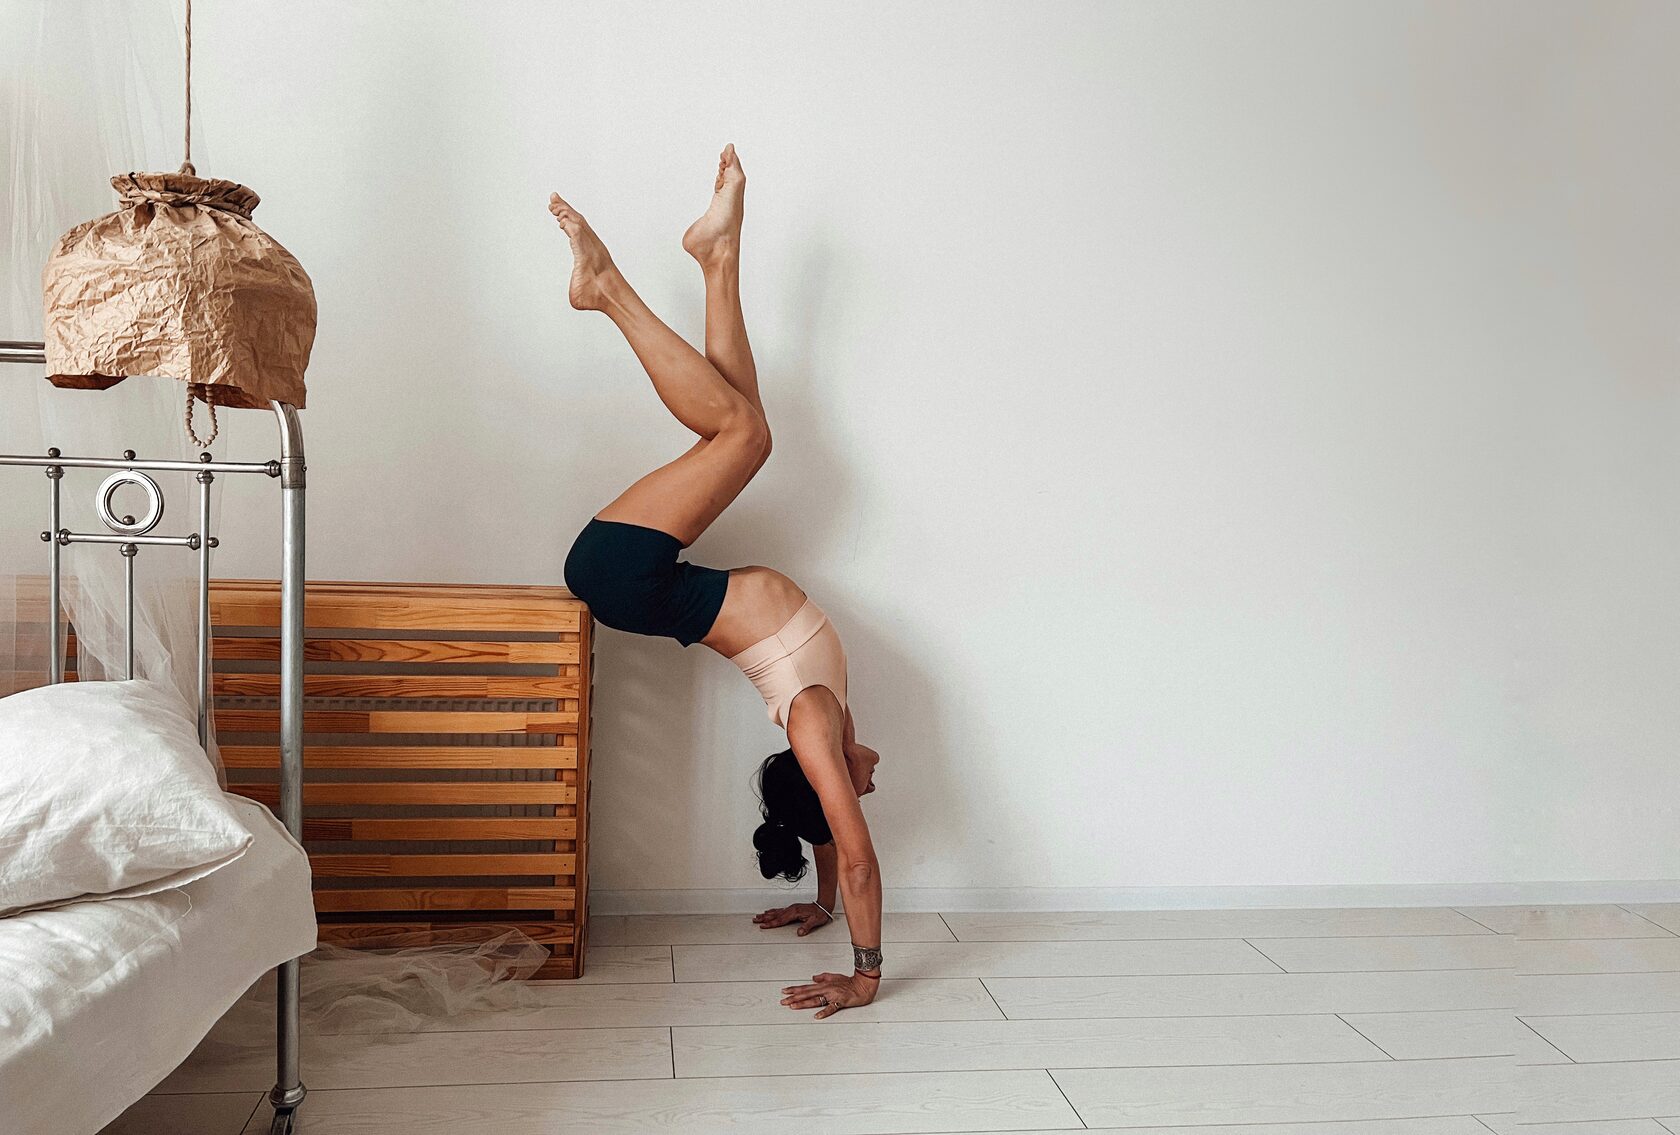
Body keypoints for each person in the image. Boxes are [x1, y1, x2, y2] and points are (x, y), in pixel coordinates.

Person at [551, 145, 883, 1019]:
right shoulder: (832, 718)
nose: (869, 782)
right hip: (639, 575)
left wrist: (865, 974)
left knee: (745, 437)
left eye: (848, 788)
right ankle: (718, 258)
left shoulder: (813, 720)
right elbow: (833, 842)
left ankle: (607, 290)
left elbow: (855, 851)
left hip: (625, 573)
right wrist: (818, 905)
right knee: (740, 422)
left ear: (821, 777)